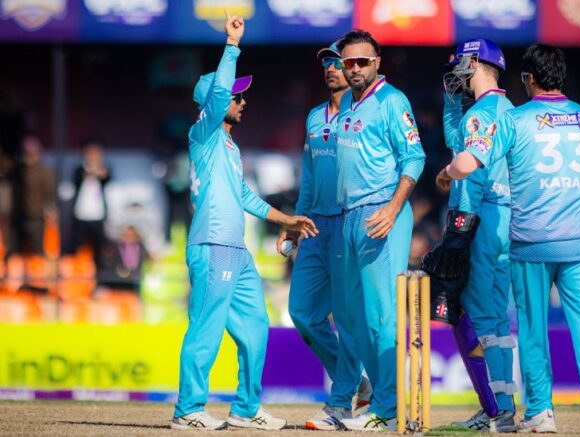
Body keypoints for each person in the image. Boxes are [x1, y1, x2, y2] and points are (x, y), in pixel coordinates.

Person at [443, 43, 580, 434]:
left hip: (533, 241)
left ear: (528, 78)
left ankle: (541, 411)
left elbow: (469, 160)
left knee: (532, 328)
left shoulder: (514, 119)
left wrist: (448, 173)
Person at [171, 10, 318, 431]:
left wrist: (285, 218)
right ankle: (188, 410)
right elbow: (219, 93)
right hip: (212, 246)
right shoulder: (203, 134)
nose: (242, 101)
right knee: (206, 330)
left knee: (255, 326)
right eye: (237, 97)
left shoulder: (230, 148)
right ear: (215, 104)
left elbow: (244, 196)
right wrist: (232, 45)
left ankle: (246, 408)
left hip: (237, 251)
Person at [332, 29, 426, 431]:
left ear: (377, 63)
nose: (354, 69)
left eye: (362, 62)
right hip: (349, 217)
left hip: (382, 213)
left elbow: (415, 157)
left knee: (381, 316)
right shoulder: (348, 104)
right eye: (348, 62)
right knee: (354, 317)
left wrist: (392, 208)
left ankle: (388, 408)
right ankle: (382, 400)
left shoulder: (392, 101)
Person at [275, 40, 371, 430]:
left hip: (349, 222)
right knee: (301, 312)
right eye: (327, 63)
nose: (331, 68)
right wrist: (294, 223)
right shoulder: (315, 117)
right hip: (315, 224)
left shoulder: (362, 111)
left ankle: (341, 401)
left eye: (337, 62)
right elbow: (310, 177)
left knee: (347, 318)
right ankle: (358, 383)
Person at [427, 38, 517, 432]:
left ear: (476, 63)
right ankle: (503, 406)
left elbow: (469, 169)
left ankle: (497, 411)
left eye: (460, 66)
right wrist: (451, 104)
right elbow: (458, 147)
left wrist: (459, 231)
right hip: (507, 223)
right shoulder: (509, 111)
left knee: (474, 316)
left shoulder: (480, 114)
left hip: (479, 220)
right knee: (495, 320)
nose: (455, 74)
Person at [12, 134, 56, 256]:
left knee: (37, 251)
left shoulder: (45, 172)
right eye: (26, 153)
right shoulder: (18, 171)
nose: (28, 157)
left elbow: (51, 195)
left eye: (31, 153)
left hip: (37, 218)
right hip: (19, 217)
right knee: (18, 251)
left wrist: (49, 211)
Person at [71, 139, 111, 263]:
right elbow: (77, 179)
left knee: (99, 245)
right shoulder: (79, 169)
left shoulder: (105, 168)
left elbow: (106, 177)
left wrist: (97, 172)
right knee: (78, 244)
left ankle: (99, 267)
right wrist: (90, 172)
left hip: (98, 214)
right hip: (81, 213)